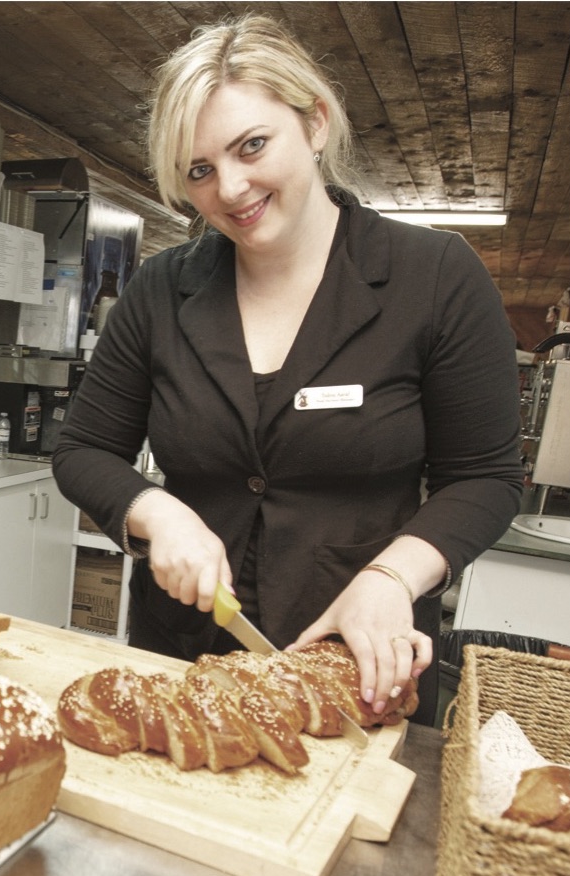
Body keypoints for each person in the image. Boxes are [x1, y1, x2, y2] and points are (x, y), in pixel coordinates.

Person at [52, 14, 523, 724]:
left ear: (315, 123)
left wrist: (393, 575)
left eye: (251, 146)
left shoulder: (434, 278)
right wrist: (158, 513)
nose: (231, 189)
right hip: (185, 663)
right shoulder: (159, 291)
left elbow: (486, 477)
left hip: (355, 668)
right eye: (199, 171)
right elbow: (83, 450)